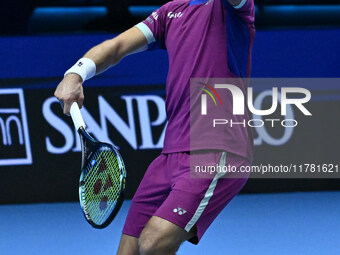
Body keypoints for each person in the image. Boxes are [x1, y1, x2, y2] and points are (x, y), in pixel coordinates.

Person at [54, 0, 255, 254]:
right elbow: (116, 48)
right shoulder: (169, 12)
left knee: (153, 242)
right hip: (170, 154)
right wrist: (76, 74)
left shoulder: (233, 8)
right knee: (129, 251)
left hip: (216, 149)